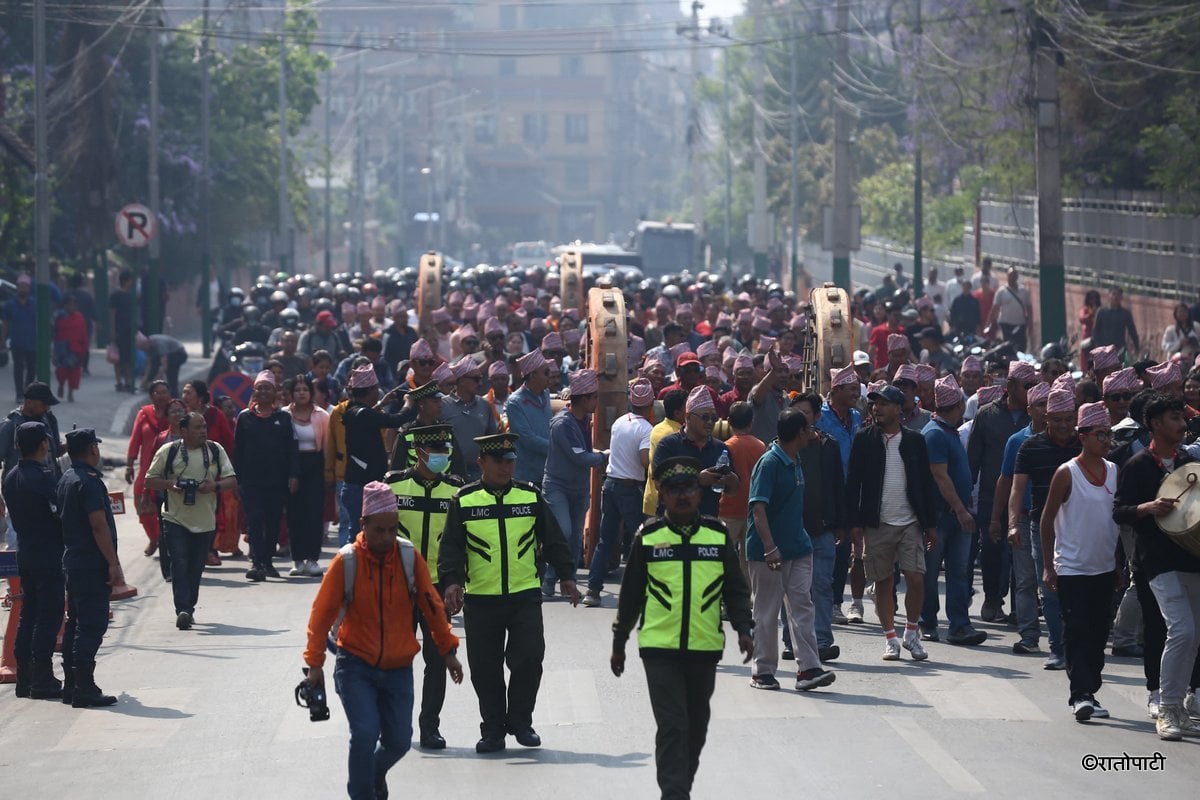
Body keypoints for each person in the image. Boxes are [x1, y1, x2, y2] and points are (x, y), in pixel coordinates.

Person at [303, 481, 464, 800]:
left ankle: (374, 773)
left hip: (398, 668)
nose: (387, 537)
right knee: (364, 734)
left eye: (392, 529)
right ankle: (361, 793)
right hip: (355, 666)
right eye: (380, 530)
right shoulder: (346, 562)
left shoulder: (407, 557)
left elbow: (432, 605)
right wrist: (314, 664)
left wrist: (448, 651)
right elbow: (321, 614)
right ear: (363, 524)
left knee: (399, 741)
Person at [609, 456, 754, 800]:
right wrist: (619, 642)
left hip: (704, 648)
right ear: (661, 494)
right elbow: (630, 596)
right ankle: (674, 794)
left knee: (696, 727)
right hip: (659, 649)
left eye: (688, 488)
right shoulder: (648, 537)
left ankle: (679, 786)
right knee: (673, 725)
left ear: (698, 492)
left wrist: (744, 628)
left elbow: (735, 588)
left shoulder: (717, 536)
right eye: (673, 490)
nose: (682, 496)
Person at [438, 432, 580, 754]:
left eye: (510, 461)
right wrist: (451, 583)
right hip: (482, 599)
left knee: (529, 659)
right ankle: (493, 730)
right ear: (482, 463)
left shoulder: (529, 497)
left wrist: (568, 576)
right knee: (486, 668)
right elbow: (451, 549)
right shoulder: (464, 501)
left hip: (524, 595)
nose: (506, 467)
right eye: (499, 462)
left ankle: (521, 721)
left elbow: (554, 539)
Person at [1113, 393, 1200, 740]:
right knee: (1181, 630)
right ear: (1155, 424)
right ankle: (1166, 708)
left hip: (1192, 558)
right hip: (1158, 562)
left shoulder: (1188, 462)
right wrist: (1147, 508)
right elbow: (1119, 511)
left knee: (1193, 636)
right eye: (1174, 419)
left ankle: (1179, 706)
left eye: (1183, 419)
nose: (1182, 425)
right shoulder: (1138, 465)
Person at [383, 424, 464, 750]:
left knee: (438, 659)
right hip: (398, 586)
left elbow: (462, 544)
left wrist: (456, 583)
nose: (443, 459)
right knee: (392, 659)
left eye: (447, 453)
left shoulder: (458, 491)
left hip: (436, 589)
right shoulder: (392, 486)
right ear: (419, 453)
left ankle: (429, 726)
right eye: (437, 453)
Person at [1039, 402, 1119, 722]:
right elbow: (1046, 522)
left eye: (1108, 434)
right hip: (1072, 568)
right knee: (1078, 630)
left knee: (1100, 633)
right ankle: (1080, 695)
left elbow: (1114, 521)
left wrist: (1119, 565)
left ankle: (1091, 689)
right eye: (1100, 434)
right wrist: (1048, 565)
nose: (1106, 440)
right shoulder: (1066, 473)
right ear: (1082, 436)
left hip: (1104, 567)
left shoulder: (1114, 471)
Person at [746, 407, 837, 691]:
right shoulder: (770, 463)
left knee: (802, 608)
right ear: (800, 433)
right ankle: (762, 671)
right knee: (767, 611)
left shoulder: (796, 459)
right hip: (769, 553)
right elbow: (758, 509)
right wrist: (770, 548)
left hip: (799, 548)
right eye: (809, 429)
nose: (813, 433)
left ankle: (809, 669)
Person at [845, 385, 938, 661]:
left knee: (915, 578)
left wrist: (930, 524)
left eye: (884, 404)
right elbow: (854, 482)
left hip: (910, 521)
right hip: (877, 522)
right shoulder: (864, 439)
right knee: (883, 582)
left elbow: (925, 483)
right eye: (874, 404)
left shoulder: (915, 441)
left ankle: (911, 633)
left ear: (899, 409)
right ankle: (891, 639)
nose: (877, 409)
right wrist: (854, 523)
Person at [1009, 376, 1079, 671]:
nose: (1063, 425)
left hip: (1080, 527)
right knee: (1049, 586)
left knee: (1078, 591)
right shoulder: (1029, 447)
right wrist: (1013, 523)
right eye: (1057, 419)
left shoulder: (1084, 445)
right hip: (1044, 528)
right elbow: (1016, 488)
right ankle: (1058, 648)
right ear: (1046, 417)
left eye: (1068, 419)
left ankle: (1078, 645)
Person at [144, 412, 237, 629]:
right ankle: (183, 609)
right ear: (183, 431)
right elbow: (150, 480)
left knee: (195, 567)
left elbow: (232, 480)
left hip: (205, 519)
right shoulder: (169, 451)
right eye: (197, 427)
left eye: (204, 426)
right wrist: (171, 484)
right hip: (174, 518)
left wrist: (213, 486)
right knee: (180, 562)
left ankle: (189, 607)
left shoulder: (215, 450)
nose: (203, 431)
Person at [58, 428, 124, 707]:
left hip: (73, 561)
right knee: (92, 624)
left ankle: (72, 684)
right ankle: (83, 687)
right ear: (93, 450)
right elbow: (98, 526)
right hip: (90, 563)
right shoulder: (90, 482)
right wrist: (113, 563)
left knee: (76, 623)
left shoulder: (66, 478)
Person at [920, 375, 987, 646]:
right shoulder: (935, 434)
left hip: (957, 515)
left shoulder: (948, 432)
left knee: (959, 572)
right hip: (942, 516)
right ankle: (927, 622)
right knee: (931, 571)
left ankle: (960, 626)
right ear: (959, 404)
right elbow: (939, 476)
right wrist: (960, 510)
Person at [3, 422, 65, 699]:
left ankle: (25, 677)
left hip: (26, 552)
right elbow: (58, 515)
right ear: (44, 444)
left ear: (17, 445)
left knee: (28, 614)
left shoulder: (11, 476)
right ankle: (41, 676)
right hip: (47, 552)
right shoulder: (43, 477)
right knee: (49, 616)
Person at [971, 360, 1035, 624]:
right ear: (1010, 386)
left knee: (1021, 555)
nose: (1032, 391)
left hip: (1026, 498)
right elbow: (972, 460)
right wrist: (966, 499)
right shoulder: (986, 415)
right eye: (1027, 386)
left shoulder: (1036, 416)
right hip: (990, 497)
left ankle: (1020, 608)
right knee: (993, 552)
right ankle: (992, 600)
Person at [584, 378, 657, 607]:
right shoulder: (647, 429)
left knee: (605, 540)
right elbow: (645, 461)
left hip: (611, 485)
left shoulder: (618, 423)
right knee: (641, 540)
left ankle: (593, 590)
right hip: (629, 488)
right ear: (651, 404)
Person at [541, 369, 608, 594]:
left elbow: (584, 451)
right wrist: (604, 456)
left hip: (578, 487)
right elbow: (579, 456)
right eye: (595, 397)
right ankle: (548, 579)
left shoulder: (584, 419)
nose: (598, 401)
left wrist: (596, 454)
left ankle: (565, 580)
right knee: (563, 532)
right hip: (557, 486)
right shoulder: (562, 424)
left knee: (575, 539)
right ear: (584, 399)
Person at [233, 370, 299, 581]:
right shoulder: (244, 417)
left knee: (273, 522)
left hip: (276, 480)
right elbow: (238, 450)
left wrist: (293, 475)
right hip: (251, 481)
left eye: (267, 388)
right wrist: (236, 478)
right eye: (259, 387)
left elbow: (292, 449)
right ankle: (257, 563)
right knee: (254, 519)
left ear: (275, 392)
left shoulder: (284, 418)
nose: (263, 391)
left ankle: (267, 561)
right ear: (254, 391)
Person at [817, 363, 864, 625]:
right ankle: (820, 600)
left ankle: (836, 602)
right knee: (825, 548)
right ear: (835, 390)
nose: (856, 393)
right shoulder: (821, 417)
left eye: (857, 389)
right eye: (851, 389)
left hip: (850, 492)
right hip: (825, 491)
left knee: (844, 548)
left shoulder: (856, 417)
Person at [652, 387, 738, 520]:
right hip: (673, 524)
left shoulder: (720, 448)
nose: (710, 422)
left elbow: (733, 491)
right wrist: (696, 480)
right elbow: (659, 483)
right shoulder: (668, 445)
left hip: (707, 525)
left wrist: (731, 480)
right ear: (688, 417)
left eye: (713, 418)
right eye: (704, 417)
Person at [341, 366, 409, 534]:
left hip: (359, 484)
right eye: (376, 388)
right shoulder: (362, 414)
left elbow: (367, 417)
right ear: (371, 389)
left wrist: (381, 403)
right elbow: (396, 420)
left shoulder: (354, 410)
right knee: (361, 535)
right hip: (360, 486)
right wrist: (409, 403)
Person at [284, 375, 330, 577]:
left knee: (313, 514)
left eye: (305, 389)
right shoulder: (284, 415)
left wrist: (329, 472)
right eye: (297, 389)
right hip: (292, 467)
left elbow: (328, 446)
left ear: (311, 393)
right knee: (294, 514)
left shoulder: (321, 415)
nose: (301, 392)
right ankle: (297, 559)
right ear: (291, 393)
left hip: (315, 465)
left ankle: (312, 559)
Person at [717, 402, 767, 576]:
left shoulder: (726, 447)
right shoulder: (761, 446)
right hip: (752, 511)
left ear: (729, 421)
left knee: (722, 557)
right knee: (748, 560)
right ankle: (745, 598)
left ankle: (725, 596)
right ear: (751, 422)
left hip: (728, 509)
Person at [124, 381, 173, 556]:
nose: (162, 396)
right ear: (152, 395)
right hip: (146, 468)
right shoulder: (143, 414)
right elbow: (135, 439)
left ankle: (166, 541)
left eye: (165, 392)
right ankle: (154, 538)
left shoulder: (175, 412)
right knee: (142, 505)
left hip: (170, 469)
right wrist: (129, 464)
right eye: (158, 392)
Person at [439, 358, 498, 482]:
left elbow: (492, 438)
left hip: (479, 474)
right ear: (461, 381)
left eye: (481, 379)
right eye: (476, 379)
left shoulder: (485, 405)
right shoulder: (442, 405)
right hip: (449, 473)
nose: (480, 383)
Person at [504, 349, 555, 485]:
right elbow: (527, 438)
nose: (550, 376)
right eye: (546, 373)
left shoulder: (545, 394)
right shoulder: (515, 402)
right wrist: (557, 448)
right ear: (532, 375)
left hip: (549, 471)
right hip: (527, 475)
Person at [3, 274, 38, 400]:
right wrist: (2, 340)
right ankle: (19, 393)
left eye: (25, 287)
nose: (23, 289)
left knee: (31, 368)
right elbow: (5, 324)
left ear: (29, 288)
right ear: (17, 287)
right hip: (16, 341)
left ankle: (27, 392)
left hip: (33, 341)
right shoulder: (10, 305)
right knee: (18, 367)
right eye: (20, 286)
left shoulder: (35, 304)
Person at [986, 268, 1033, 353]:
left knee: (1021, 347)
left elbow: (1029, 308)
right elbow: (995, 308)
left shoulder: (1023, 291)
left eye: (1014, 276)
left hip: (1020, 325)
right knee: (1006, 348)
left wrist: (1030, 325)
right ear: (1007, 277)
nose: (1012, 278)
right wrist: (988, 324)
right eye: (1010, 276)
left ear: (1017, 277)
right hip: (1005, 325)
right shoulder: (1001, 291)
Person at [53, 295, 88, 402]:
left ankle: (70, 392)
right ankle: (61, 384)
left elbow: (83, 333)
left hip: (75, 349)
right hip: (62, 349)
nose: (72, 307)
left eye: (74, 305)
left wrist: (84, 348)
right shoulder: (59, 316)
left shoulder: (79, 317)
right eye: (70, 305)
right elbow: (54, 331)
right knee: (61, 371)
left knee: (74, 372)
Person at [1091, 287, 1141, 355]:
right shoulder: (1101, 312)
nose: (1115, 297)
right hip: (1104, 349)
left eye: (1118, 295)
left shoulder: (1125, 314)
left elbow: (1132, 331)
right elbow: (1095, 331)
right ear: (1109, 295)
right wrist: (1099, 347)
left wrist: (1136, 347)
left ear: (1121, 297)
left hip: (1119, 350)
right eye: (1113, 294)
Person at [138, 333, 189, 398]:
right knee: (154, 364)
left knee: (171, 373)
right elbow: (149, 365)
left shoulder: (159, 344)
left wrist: (154, 381)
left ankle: (174, 397)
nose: (143, 350)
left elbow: (164, 366)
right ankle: (149, 386)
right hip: (169, 354)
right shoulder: (148, 346)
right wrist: (144, 380)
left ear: (147, 343)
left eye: (143, 348)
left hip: (178, 353)